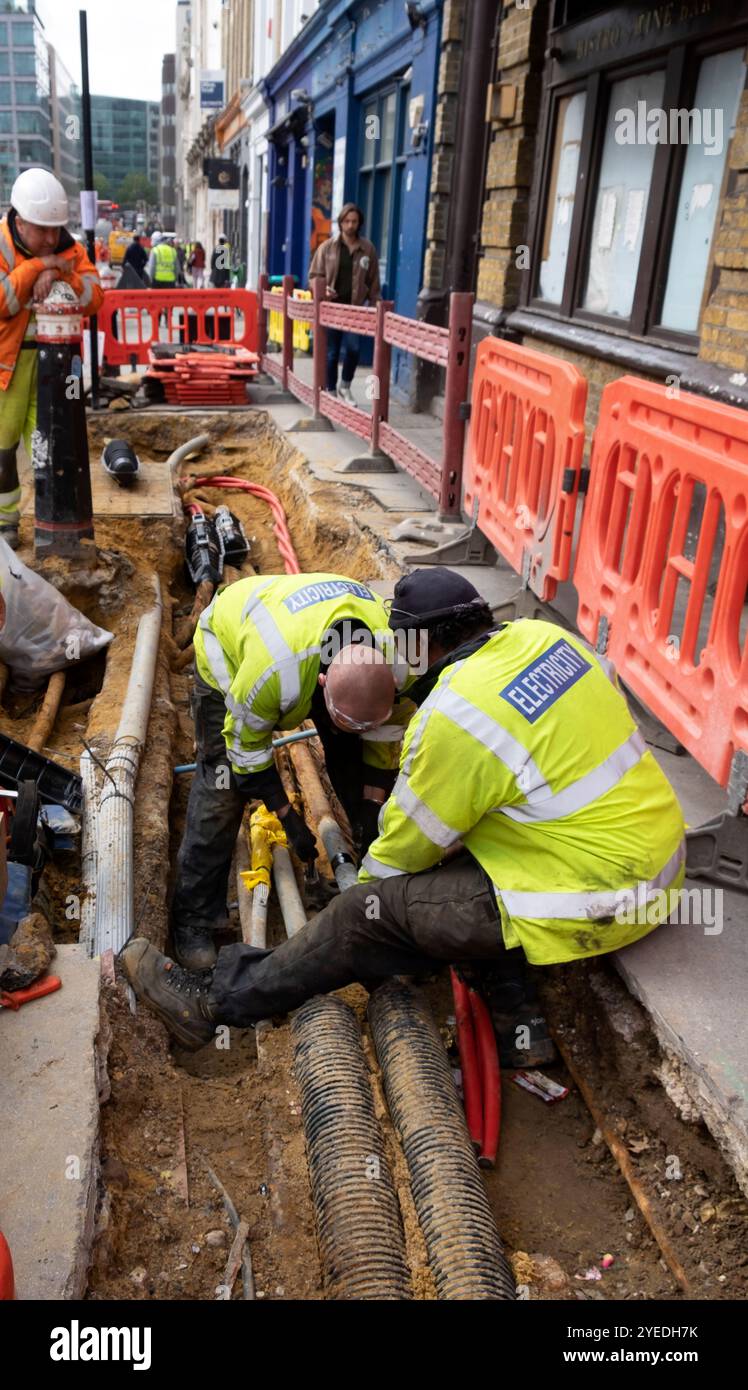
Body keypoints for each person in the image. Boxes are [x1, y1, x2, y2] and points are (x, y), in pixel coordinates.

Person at [123, 566, 687, 1058]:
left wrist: (353, 896)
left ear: (423, 645)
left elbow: (400, 858)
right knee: (453, 868)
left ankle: (215, 1002)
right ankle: (521, 1026)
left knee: (369, 912)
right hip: (659, 868)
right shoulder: (547, 637)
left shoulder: (456, 715)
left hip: (591, 896)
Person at [163, 571, 415, 972]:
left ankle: (368, 876)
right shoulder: (269, 676)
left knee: (355, 763)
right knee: (223, 789)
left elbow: (384, 741)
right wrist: (288, 817)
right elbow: (247, 757)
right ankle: (195, 917)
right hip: (228, 645)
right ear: (320, 686)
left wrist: (371, 808)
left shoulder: (398, 660)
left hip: (314, 635)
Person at [0, 168, 103, 548]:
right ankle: (5, 523)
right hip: (7, 369)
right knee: (1, 448)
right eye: (42, 229)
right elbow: (3, 302)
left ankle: (55, 522)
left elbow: (94, 297)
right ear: (20, 220)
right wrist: (40, 267)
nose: (50, 238)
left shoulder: (69, 249)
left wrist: (65, 276)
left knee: (55, 442)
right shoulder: (2, 245)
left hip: (61, 371)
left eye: (56, 229)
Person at [308, 202, 381, 405]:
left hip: (354, 309)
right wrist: (322, 290)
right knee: (331, 353)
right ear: (340, 223)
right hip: (331, 308)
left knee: (353, 349)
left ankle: (345, 386)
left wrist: (376, 304)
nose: (350, 225)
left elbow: (374, 281)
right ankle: (330, 390)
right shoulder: (327, 247)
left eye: (354, 221)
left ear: (359, 224)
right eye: (347, 221)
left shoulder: (368, 249)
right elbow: (313, 276)